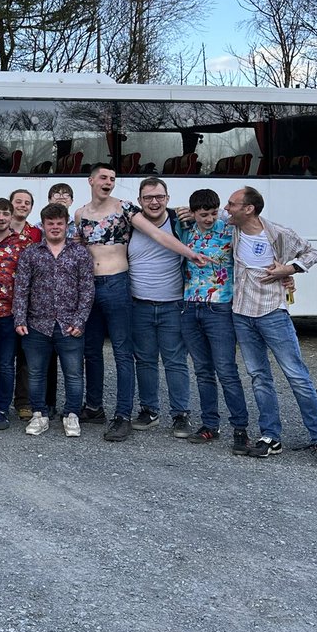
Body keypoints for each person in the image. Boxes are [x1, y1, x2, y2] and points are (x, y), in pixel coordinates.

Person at [75, 162, 206, 443]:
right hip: (90, 287)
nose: (109, 181)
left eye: (112, 177)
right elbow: (77, 250)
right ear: (91, 181)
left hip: (117, 283)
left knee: (124, 353)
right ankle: (94, 406)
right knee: (92, 351)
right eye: (103, 177)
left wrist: (190, 253)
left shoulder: (125, 209)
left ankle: (122, 415)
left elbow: (160, 233)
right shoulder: (79, 214)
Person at [223, 186, 317, 470]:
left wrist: (290, 270)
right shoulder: (230, 231)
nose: (227, 208)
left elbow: (312, 252)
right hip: (241, 313)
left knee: (297, 376)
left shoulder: (278, 234)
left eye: (232, 203)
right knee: (259, 376)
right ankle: (270, 436)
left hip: (273, 313)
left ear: (248, 208)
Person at [176, 188, 252, 452]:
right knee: (203, 371)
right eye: (203, 214)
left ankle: (240, 428)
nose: (208, 219)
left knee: (227, 371)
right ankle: (210, 424)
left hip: (219, 307)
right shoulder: (186, 231)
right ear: (194, 212)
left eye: (212, 213)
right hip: (189, 307)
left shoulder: (229, 230)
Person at [14, 203, 94, 438]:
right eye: (51, 223)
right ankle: (39, 414)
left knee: (74, 373)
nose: (55, 227)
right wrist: (20, 317)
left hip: (69, 325)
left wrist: (80, 321)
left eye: (60, 223)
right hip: (37, 324)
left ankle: (71, 415)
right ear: (44, 225)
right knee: (36, 373)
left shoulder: (79, 253)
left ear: (66, 224)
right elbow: (21, 288)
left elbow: (87, 289)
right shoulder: (31, 252)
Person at [127, 177, 194, 438]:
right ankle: (149, 411)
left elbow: (215, 217)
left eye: (159, 197)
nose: (154, 202)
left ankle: (180, 414)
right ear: (140, 201)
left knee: (175, 361)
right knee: (144, 361)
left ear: (167, 198)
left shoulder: (180, 222)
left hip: (173, 305)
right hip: (139, 305)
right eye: (148, 198)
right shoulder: (130, 225)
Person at [0, 197, 35, 430]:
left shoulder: (24, 243)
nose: (1, 218)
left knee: (5, 364)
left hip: (9, 314)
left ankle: (3, 408)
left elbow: (29, 280)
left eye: (5, 214)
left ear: (12, 217)